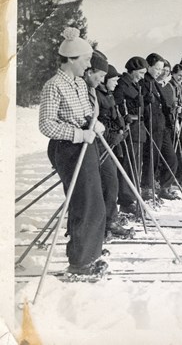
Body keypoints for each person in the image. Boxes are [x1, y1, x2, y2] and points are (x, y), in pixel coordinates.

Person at [39, 27, 107, 275]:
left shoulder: (79, 83)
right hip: (67, 148)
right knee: (83, 203)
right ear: (71, 58)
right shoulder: (54, 85)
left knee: (95, 202)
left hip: (85, 144)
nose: (89, 66)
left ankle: (91, 253)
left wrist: (92, 121)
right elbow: (46, 124)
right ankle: (80, 262)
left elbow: (82, 113)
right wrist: (78, 133)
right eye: (86, 60)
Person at [94, 63, 134, 239]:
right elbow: (101, 122)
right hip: (101, 145)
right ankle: (108, 222)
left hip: (110, 143)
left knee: (112, 183)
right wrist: (113, 135)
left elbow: (113, 118)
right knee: (109, 184)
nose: (116, 83)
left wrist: (122, 125)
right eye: (114, 79)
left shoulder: (107, 94)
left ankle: (110, 219)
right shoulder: (98, 95)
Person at [140, 53, 179, 201]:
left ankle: (165, 186)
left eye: (161, 69)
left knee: (171, 157)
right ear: (148, 66)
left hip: (162, 126)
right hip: (151, 125)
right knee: (151, 158)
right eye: (157, 68)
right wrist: (145, 99)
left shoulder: (155, 82)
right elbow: (139, 103)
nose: (160, 71)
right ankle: (147, 188)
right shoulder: (144, 82)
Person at [113, 56, 149, 215]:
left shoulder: (136, 84)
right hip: (130, 129)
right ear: (133, 70)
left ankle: (132, 197)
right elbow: (117, 105)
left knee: (135, 166)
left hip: (139, 129)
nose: (142, 76)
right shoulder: (122, 84)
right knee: (129, 165)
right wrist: (123, 118)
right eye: (141, 73)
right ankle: (126, 202)